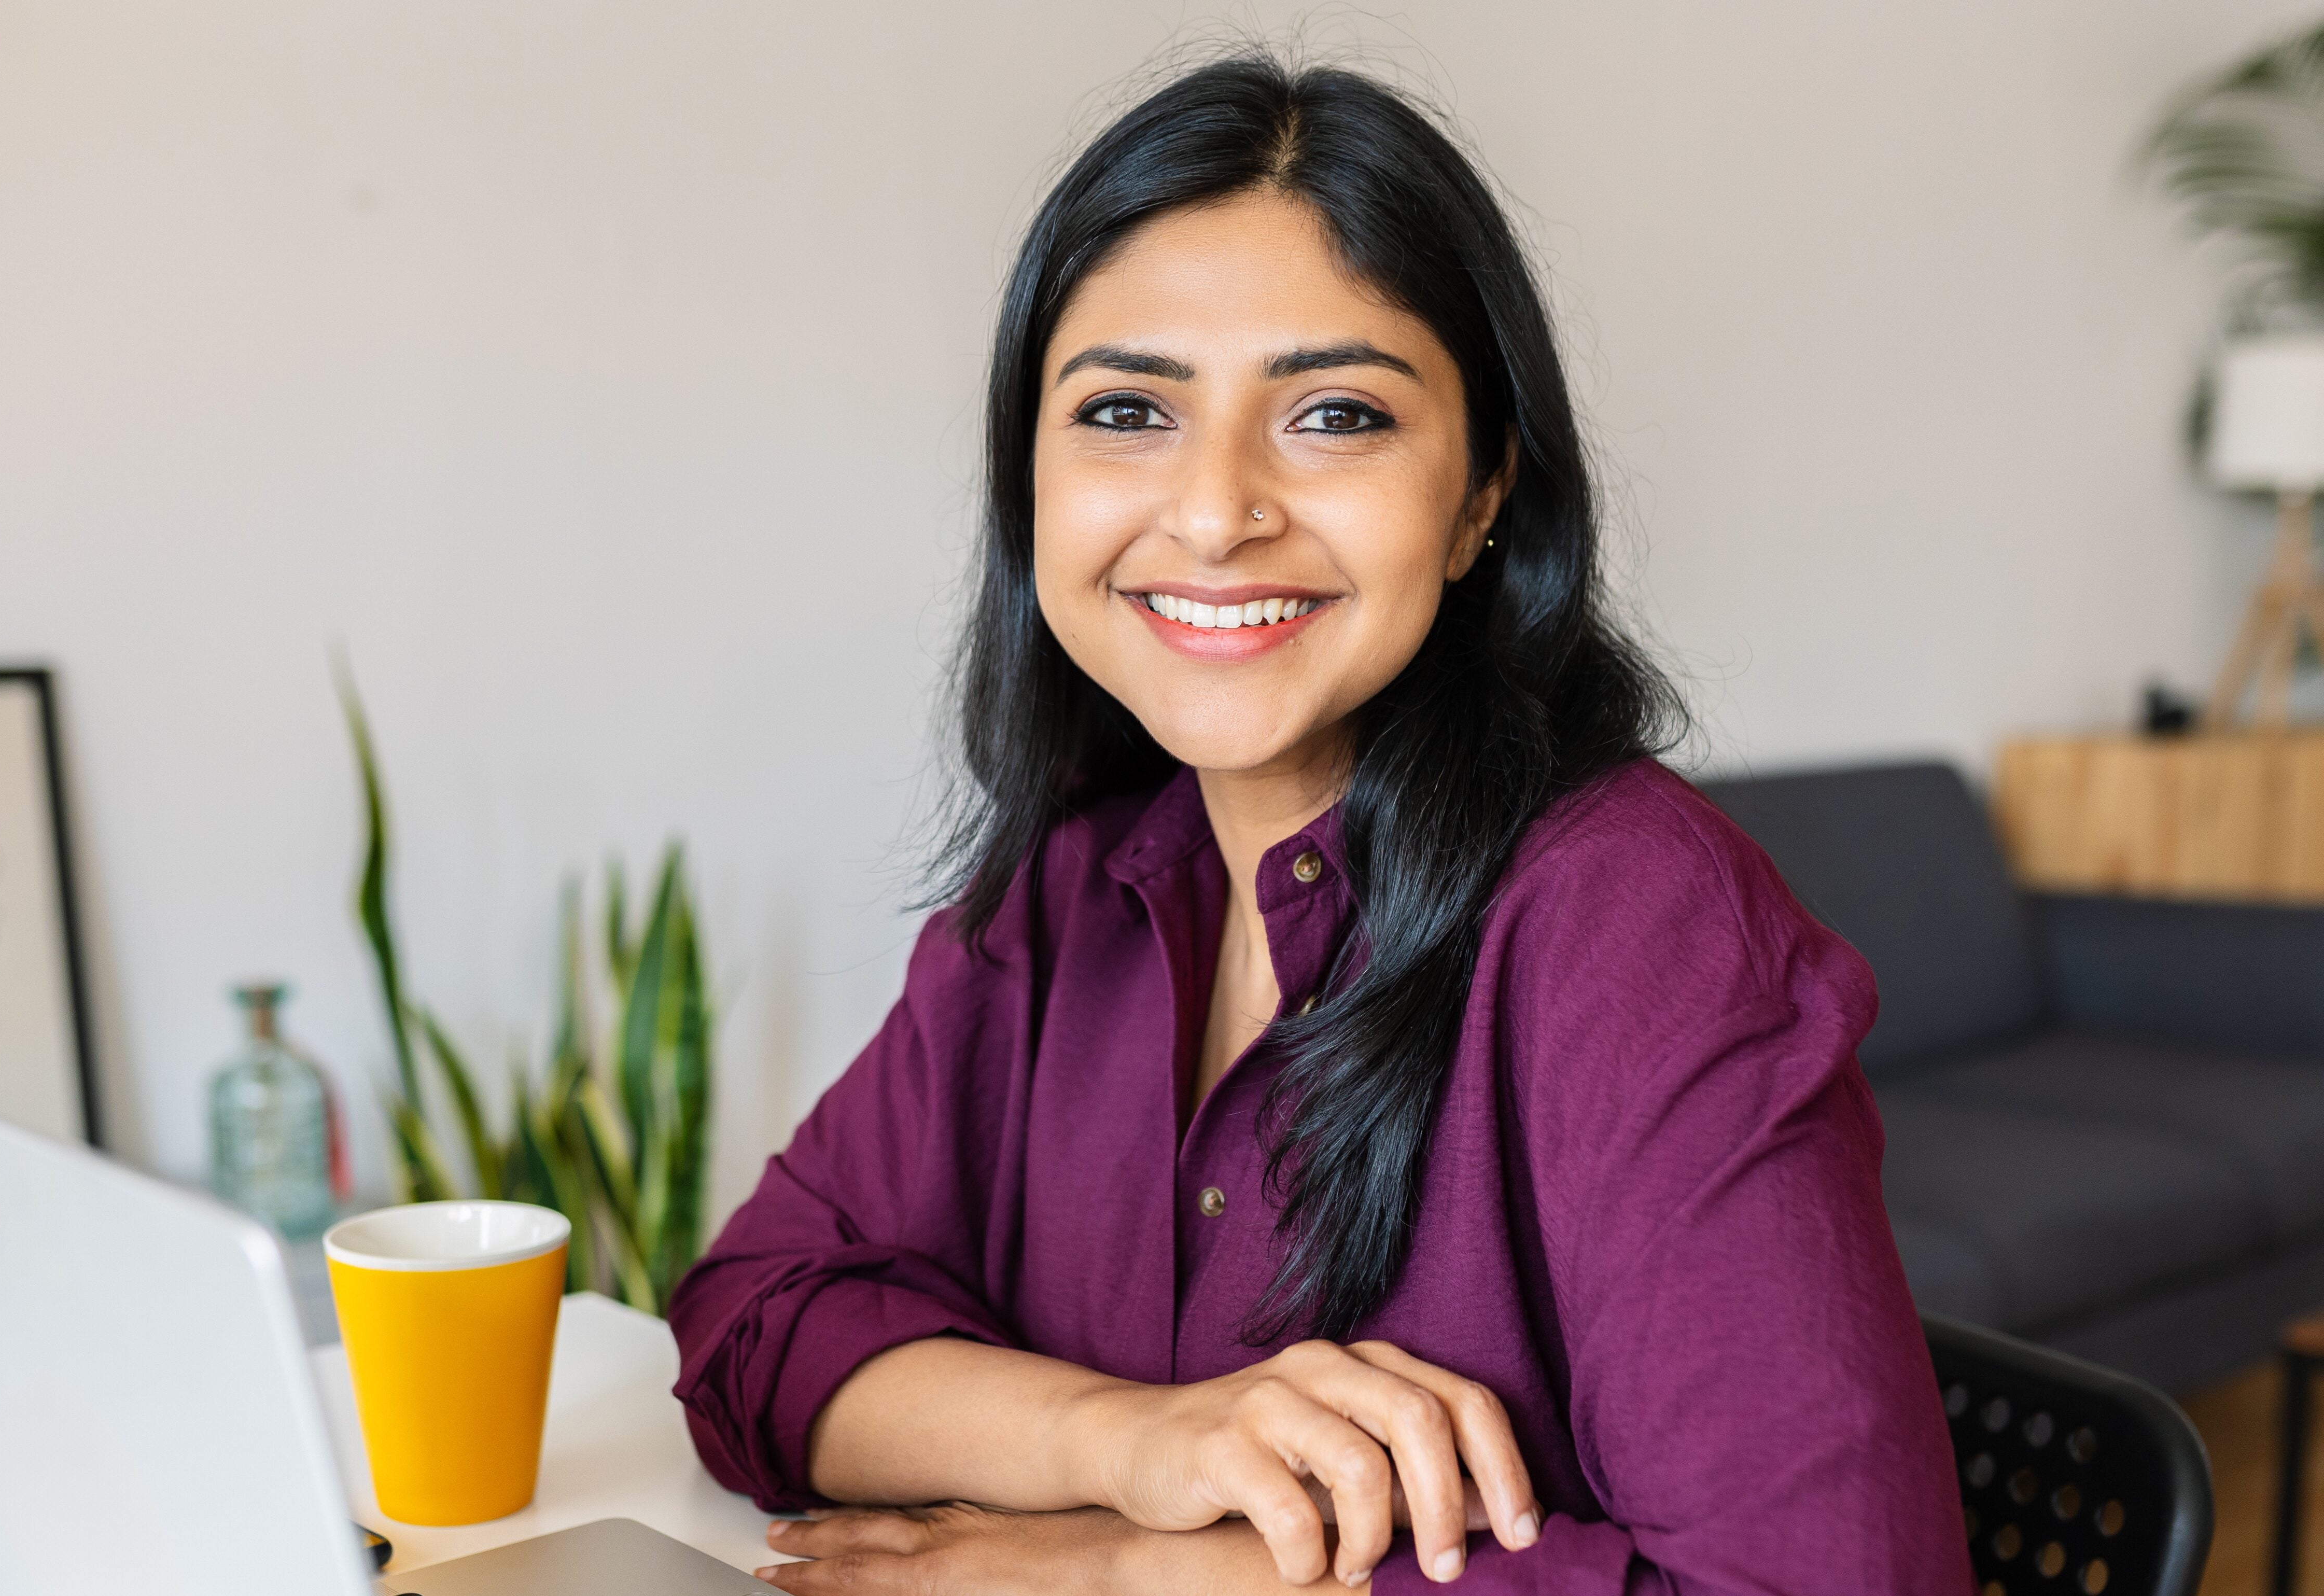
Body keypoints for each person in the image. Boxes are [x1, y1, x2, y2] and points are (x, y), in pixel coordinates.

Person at [668, 53, 1972, 1595]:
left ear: (1483, 494)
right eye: (1127, 411)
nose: (1215, 512)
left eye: (1336, 414)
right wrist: (1132, 1447)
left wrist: (1136, 1575)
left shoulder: (1640, 919)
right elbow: (749, 1324)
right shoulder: (1066, 889)